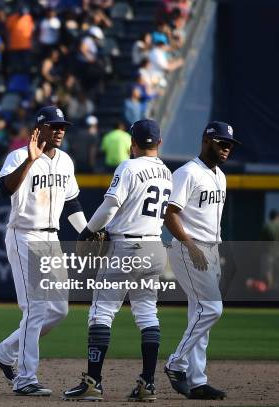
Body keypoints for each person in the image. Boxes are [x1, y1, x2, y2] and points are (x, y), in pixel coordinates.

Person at [63, 119, 172, 402]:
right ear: (159, 143)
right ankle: (148, 384)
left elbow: (111, 205)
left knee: (102, 311)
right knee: (147, 313)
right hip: (155, 247)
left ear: (131, 144)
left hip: (126, 246)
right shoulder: (166, 172)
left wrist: (88, 231)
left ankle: (93, 383)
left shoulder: (129, 166)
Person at [0, 106, 88, 396]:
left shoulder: (66, 162)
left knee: (58, 309)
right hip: (24, 235)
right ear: (39, 129)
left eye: (63, 127)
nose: (59, 131)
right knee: (35, 308)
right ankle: (25, 378)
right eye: (54, 126)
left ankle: (4, 352)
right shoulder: (19, 156)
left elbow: (72, 203)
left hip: (52, 239)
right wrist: (29, 162)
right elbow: (4, 189)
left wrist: (85, 230)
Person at [163, 121, 239, 400]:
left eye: (230, 144)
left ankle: (197, 381)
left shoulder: (220, 175)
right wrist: (190, 245)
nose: (227, 148)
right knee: (211, 310)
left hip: (210, 248)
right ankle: (176, 363)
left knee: (200, 315)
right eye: (222, 143)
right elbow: (169, 214)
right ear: (206, 141)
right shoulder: (187, 173)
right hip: (189, 248)